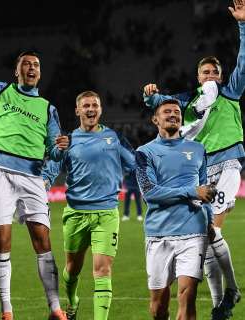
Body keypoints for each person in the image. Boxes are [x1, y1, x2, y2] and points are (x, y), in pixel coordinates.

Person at [142, 2, 245, 317]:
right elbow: (163, 103)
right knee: (207, 235)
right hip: (201, 171)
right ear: (198, 77)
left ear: (221, 76)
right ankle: (222, 303)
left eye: (215, 72)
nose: (211, 75)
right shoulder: (190, 104)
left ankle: (229, 294)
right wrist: (150, 96)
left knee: (212, 228)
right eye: (206, 72)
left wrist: (242, 25)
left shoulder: (229, 94)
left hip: (227, 164)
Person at [0, 20, 66, 320]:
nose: (32, 68)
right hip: (0, 172)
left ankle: (55, 308)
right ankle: (7, 311)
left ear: (40, 73)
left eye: (36, 65)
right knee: (3, 239)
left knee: (42, 241)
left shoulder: (47, 108)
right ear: (16, 71)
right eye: (26, 64)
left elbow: (57, 150)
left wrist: (49, 174)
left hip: (33, 177)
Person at [45, 91, 136, 320]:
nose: (91, 109)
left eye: (95, 105)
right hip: (76, 213)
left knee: (102, 270)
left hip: (106, 212)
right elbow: (54, 163)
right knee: (72, 269)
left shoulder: (114, 138)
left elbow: (135, 162)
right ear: (78, 111)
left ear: (101, 109)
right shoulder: (69, 140)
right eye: (86, 105)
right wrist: (51, 164)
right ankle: (73, 301)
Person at [136, 99, 216, 320]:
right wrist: (191, 191)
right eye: (167, 111)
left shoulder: (198, 149)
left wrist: (209, 222)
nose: (173, 115)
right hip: (158, 234)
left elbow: (205, 190)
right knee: (158, 307)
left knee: (187, 298)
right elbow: (150, 193)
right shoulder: (145, 152)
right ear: (155, 119)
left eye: (177, 112)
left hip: (193, 232)